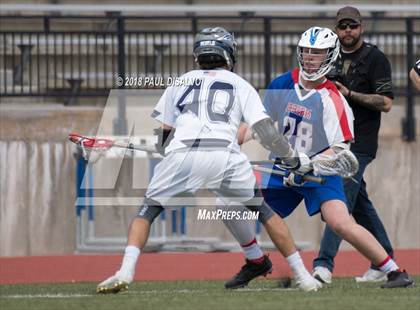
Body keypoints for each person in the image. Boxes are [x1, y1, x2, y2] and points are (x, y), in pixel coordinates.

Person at [96, 27, 321, 294]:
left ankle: (125, 271)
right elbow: (266, 130)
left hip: (183, 155)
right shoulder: (241, 84)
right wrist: (292, 158)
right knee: (263, 212)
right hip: (225, 157)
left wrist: (164, 148)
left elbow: (165, 135)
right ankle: (303, 276)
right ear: (228, 54)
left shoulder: (180, 82)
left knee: (147, 212)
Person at [221, 26, 413, 290]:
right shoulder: (282, 84)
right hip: (281, 169)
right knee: (232, 202)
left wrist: (308, 163)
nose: (311, 58)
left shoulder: (334, 99)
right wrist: (231, 140)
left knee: (341, 222)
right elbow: (257, 124)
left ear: (331, 56)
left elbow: (340, 150)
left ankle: (394, 272)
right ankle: (255, 261)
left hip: (319, 173)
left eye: (318, 53)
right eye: (307, 52)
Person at [312, 6, 401, 284]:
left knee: (337, 201)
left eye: (352, 26)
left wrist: (349, 93)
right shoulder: (329, 55)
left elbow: (385, 103)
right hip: (332, 140)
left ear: (361, 27)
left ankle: (323, 265)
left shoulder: (375, 58)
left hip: (359, 142)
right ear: (336, 29)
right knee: (359, 204)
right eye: (342, 26)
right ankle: (384, 259)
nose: (347, 31)